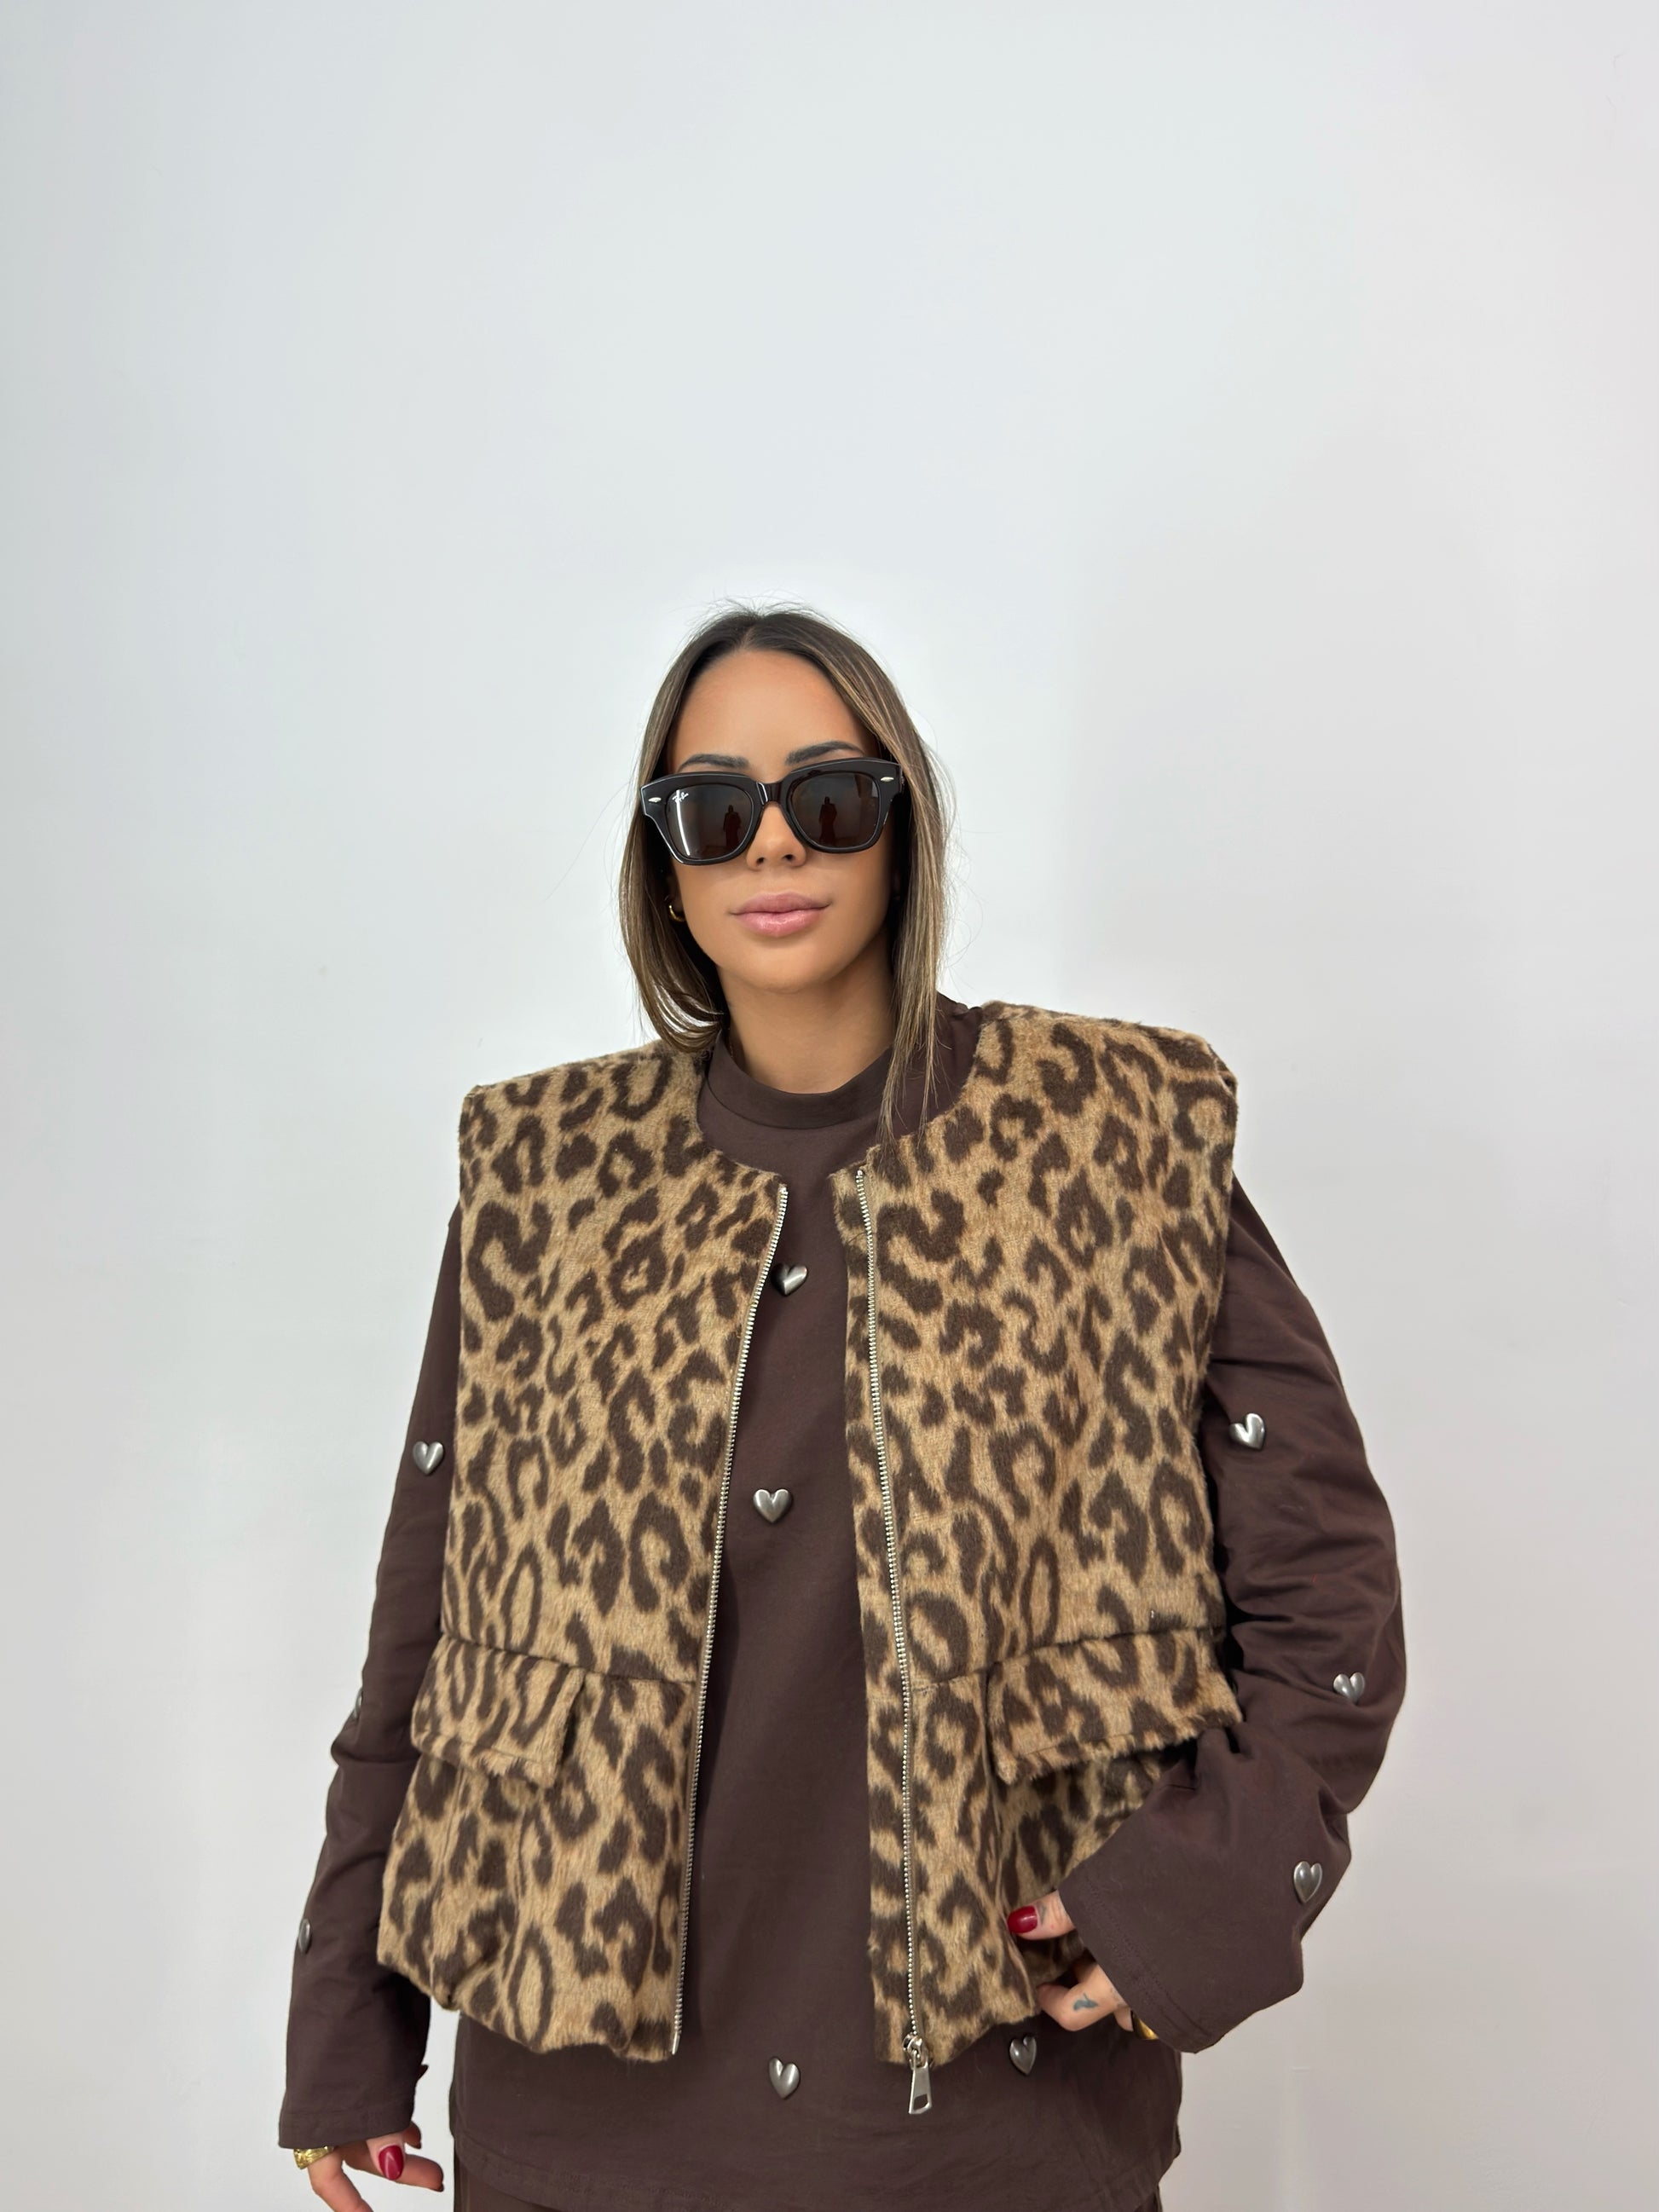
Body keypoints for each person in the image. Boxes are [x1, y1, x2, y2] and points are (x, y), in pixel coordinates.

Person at [279, 605, 1406, 2212]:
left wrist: (1202, 1895)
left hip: (981, 2130)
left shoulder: (1115, 1140)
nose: (773, 843)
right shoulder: (544, 1181)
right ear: (663, 859)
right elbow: (427, 1630)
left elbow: (1324, 1593)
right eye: (712, 809)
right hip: (579, 2129)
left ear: (902, 821)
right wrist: (347, 2026)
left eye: (828, 795)